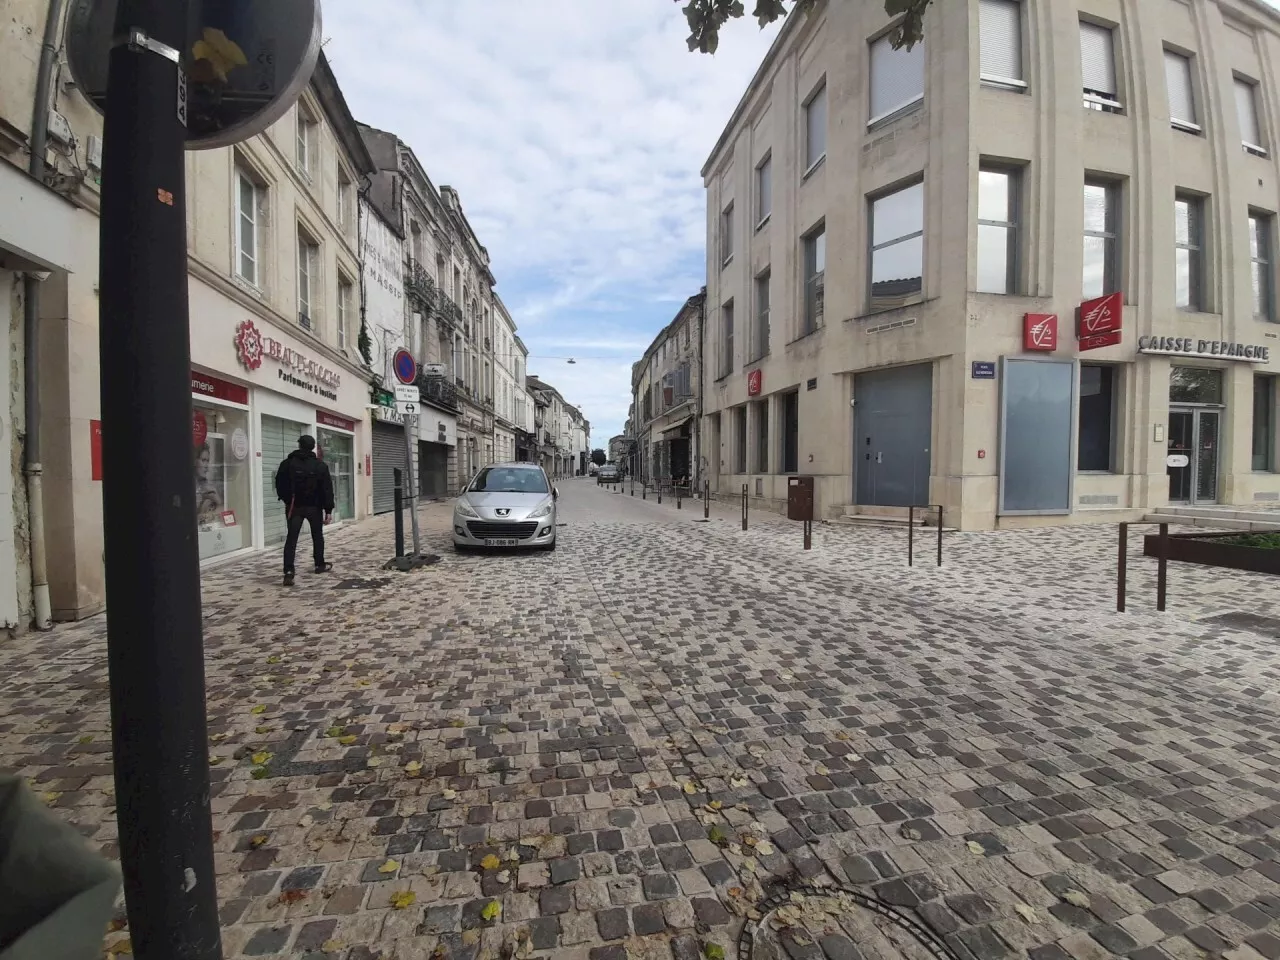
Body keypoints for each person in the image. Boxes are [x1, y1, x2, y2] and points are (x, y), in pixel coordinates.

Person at [274, 434, 334, 586]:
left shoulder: (287, 464)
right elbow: (327, 489)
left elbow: (279, 484)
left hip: (295, 506)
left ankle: (288, 571)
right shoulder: (320, 466)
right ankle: (319, 564)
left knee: (291, 539)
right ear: (313, 447)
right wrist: (328, 510)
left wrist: (288, 499)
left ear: (299, 445)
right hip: (314, 507)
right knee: (317, 536)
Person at [194, 443, 222, 524]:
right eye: (203, 460)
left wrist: (217, 501)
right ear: (194, 461)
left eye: (208, 461)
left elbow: (221, 514)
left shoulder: (208, 487)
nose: (206, 465)